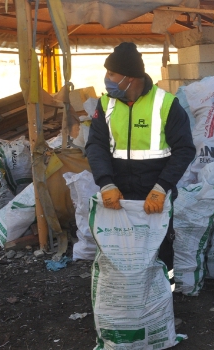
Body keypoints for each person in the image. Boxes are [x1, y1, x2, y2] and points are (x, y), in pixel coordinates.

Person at [85, 42, 195, 289]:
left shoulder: (166, 104)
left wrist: (162, 187)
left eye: (112, 74)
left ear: (129, 77)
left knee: (160, 248)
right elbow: (96, 147)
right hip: (119, 192)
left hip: (154, 192)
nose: (107, 79)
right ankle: (127, 299)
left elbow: (184, 150)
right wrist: (105, 183)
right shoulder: (105, 106)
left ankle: (165, 296)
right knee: (119, 249)